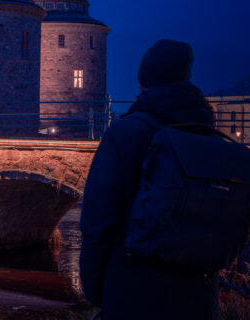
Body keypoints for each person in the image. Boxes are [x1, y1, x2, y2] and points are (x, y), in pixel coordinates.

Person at [80, 39, 219, 319]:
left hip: (134, 291)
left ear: (143, 82)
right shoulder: (208, 134)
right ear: (186, 77)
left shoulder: (127, 134)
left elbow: (98, 223)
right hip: (198, 295)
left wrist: (96, 292)